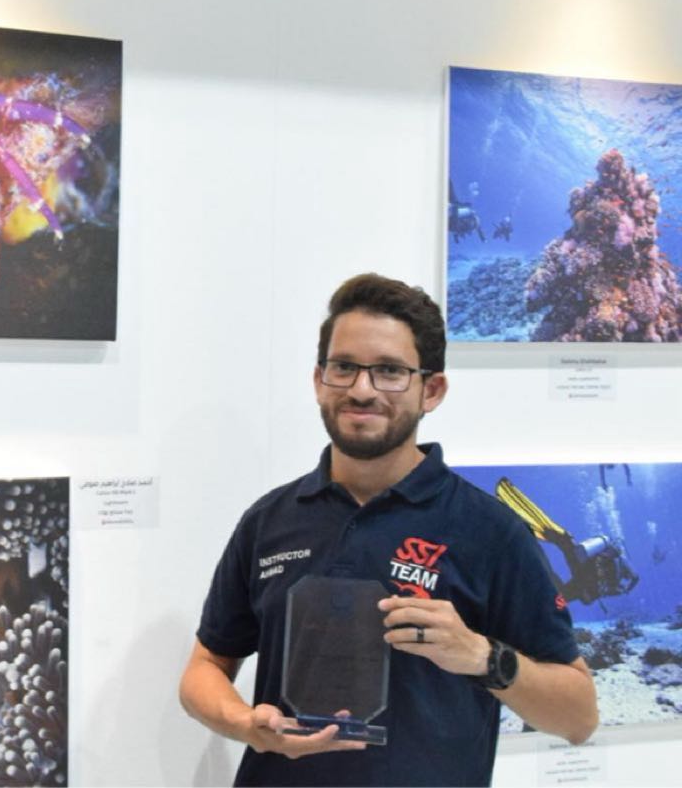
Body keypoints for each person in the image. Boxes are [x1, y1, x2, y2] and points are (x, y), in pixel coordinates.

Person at [178, 274, 597, 787]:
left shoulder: (491, 532)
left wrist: (482, 656)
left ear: (432, 390)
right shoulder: (269, 520)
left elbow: (578, 717)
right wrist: (247, 724)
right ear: (319, 380)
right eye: (344, 367)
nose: (362, 390)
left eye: (390, 371)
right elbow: (204, 668)